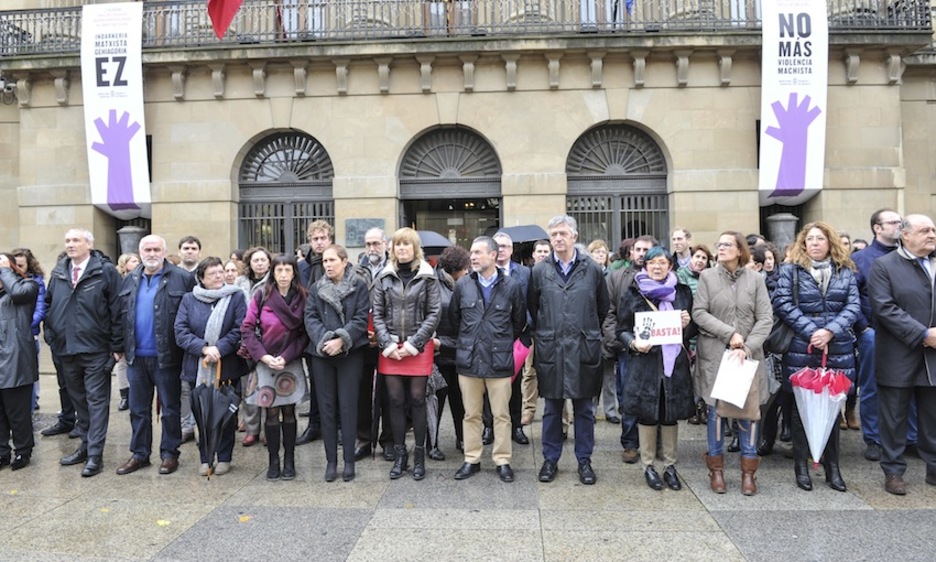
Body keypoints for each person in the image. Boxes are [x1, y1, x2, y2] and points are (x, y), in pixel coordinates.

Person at [774, 221, 860, 493]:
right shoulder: (790, 271)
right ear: (802, 243)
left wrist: (831, 331)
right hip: (803, 347)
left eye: (820, 239)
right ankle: (802, 466)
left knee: (832, 410)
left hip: (837, 347)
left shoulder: (845, 271)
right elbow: (783, 303)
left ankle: (832, 467)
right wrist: (813, 331)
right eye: (809, 239)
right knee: (802, 410)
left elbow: (853, 305)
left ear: (829, 242)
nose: (814, 243)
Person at [529, 215, 609, 485]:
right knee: (552, 408)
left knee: (584, 408)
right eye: (554, 235)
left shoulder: (592, 269)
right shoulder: (539, 271)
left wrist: (588, 331)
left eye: (563, 233)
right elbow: (533, 307)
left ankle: (584, 460)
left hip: (583, 346)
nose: (558, 239)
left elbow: (602, 307)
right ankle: (550, 459)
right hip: (551, 347)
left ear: (574, 236)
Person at [693, 231, 773, 496]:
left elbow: (765, 318)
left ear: (740, 250)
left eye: (727, 244)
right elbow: (699, 313)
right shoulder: (707, 277)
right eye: (719, 244)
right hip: (717, 354)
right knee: (716, 413)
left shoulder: (756, 279)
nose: (721, 248)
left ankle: (748, 473)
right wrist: (729, 334)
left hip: (747, 356)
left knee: (748, 413)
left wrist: (747, 346)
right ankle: (716, 471)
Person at [44, 228, 123, 477]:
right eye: (67, 240)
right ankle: (86, 446)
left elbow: (118, 309)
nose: (70, 244)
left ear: (89, 244)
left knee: (97, 402)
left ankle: (95, 456)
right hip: (66, 349)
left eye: (75, 240)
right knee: (80, 403)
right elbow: (48, 304)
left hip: (96, 349)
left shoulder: (105, 270)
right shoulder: (59, 271)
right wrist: (51, 335)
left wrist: (117, 346)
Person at [116, 235, 195, 476]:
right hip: (135, 357)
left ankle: (170, 454)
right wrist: (118, 346)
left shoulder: (183, 279)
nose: (152, 253)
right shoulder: (129, 279)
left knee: (170, 408)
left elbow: (193, 314)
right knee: (138, 409)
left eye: (156, 249)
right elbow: (120, 315)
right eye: (147, 249)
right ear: (140, 253)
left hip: (167, 357)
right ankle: (140, 454)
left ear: (164, 251)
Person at [616, 247, 694, 490]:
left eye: (662, 263)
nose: (657, 267)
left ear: (670, 266)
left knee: (669, 414)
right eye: (652, 263)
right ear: (645, 267)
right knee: (647, 414)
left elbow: (689, 335)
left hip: (674, 365)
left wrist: (687, 324)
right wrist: (632, 342)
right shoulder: (633, 294)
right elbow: (621, 329)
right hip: (645, 363)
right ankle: (648, 466)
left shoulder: (681, 292)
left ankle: (670, 466)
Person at [869, 214, 936, 495]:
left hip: (933, 357)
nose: (931, 234)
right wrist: (924, 334)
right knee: (894, 418)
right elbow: (885, 308)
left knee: (932, 418)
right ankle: (893, 471)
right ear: (905, 235)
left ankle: (933, 468)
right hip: (898, 354)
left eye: (933, 230)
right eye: (924, 230)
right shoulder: (884, 266)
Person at [450, 236, 525, 483]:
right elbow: (454, 320)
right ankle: (472, 459)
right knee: (471, 414)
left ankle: (502, 460)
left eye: (478, 252)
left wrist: (498, 341)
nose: (472, 257)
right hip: (469, 360)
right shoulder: (462, 285)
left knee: (501, 414)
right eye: (471, 252)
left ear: (493, 255)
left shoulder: (512, 286)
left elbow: (519, 322)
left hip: (499, 360)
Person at [372, 227, 441, 481]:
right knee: (396, 402)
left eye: (406, 245)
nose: (401, 249)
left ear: (414, 248)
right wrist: (387, 344)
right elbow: (377, 314)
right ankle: (400, 455)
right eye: (397, 245)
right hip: (389, 347)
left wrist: (414, 343)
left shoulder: (427, 277)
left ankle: (420, 455)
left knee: (417, 400)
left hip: (418, 347)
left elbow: (434, 314)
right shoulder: (383, 277)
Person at [174, 257, 249, 476]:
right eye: (212, 273)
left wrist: (220, 348)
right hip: (196, 365)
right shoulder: (189, 299)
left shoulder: (235, 296)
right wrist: (204, 348)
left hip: (227, 365)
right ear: (201, 278)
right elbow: (181, 331)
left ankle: (224, 457)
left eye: (220, 272)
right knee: (202, 413)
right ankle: (205, 457)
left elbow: (239, 328)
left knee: (225, 414)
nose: (219, 276)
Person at [241, 255, 310, 481]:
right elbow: (248, 329)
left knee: (290, 412)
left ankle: (289, 460)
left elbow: (304, 334)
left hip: (290, 360)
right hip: (265, 362)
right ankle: (273, 461)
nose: (282, 275)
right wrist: (263, 356)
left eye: (287, 270)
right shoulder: (261, 295)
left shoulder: (302, 297)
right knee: (270, 412)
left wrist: (286, 356)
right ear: (273, 272)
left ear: (294, 273)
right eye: (278, 270)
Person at [305, 246, 370, 482]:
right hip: (322, 353)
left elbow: (362, 317)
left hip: (350, 353)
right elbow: (310, 317)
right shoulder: (316, 288)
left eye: (332, 260)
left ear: (344, 261)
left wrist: (342, 339)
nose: (328, 265)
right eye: (324, 261)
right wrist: (327, 341)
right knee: (327, 407)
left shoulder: (359, 285)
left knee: (348, 406)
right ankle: (331, 461)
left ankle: (349, 461)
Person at [852, 208, 904, 462]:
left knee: (909, 386)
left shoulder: (908, 256)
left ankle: (910, 437)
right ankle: (872, 437)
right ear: (877, 228)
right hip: (873, 333)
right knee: (871, 386)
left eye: (900, 222)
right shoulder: (862, 259)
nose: (899, 226)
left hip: (907, 334)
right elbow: (853, 296)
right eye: (893, 222)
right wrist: (864, 328)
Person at [603, 234, 656, 465]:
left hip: (657, 349)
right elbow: (608, 312)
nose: (642, 254)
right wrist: (618, 342)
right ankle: (630, 443)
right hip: (627, 347)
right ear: (631, 252)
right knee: (628, 396)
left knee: (655, 395)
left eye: (647, 250)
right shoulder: (616, 278)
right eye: (638, 249)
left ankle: (653, 443)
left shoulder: (665, 280)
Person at [484, 231, 530, 446]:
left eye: (505, 246)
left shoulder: (524, 273)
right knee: (486, 384)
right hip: (489, 338)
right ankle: (488, 426)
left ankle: (516, 426)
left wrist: (525, 330)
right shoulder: (483, 271)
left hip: (516, 338)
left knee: (515, 384)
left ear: (511, 250)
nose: (501, 249)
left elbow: (531, 303)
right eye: (498, 246)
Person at [354, 227, 394, 461]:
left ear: (385, 244)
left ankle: (388, 439)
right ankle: (363, 439)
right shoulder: (356, 270)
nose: (372, 249)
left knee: (390, 392)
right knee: (362, 391)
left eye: (376, 244)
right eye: (368, 244)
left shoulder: (393, 268)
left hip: (387, 338)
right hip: (363, 339)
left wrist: (382, 332)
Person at [0, 254, 39, 470]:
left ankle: (23, 451)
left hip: (15, 360)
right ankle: (2, 452)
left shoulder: (27, 286)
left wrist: (5, 270)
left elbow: (17, 293)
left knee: (17, 412)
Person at [296, 220, 333, 446]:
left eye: (323, 238)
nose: (319, 242)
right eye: (315, 239)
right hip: (309, 333)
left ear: (330, 240)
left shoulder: (336, 262)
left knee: (335, 385)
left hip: (334, 333)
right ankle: (315, 425)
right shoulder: (302, 267)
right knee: (316, 384)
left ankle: (335, 426)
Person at [432, 245, 470, 457]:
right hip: (438, 352)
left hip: (460, 351)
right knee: (436, 400)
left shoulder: (467, 283)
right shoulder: (433, 284)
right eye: (464, 268)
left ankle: (462, 438)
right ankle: (432, 443)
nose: (467, 271)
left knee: (460, 401)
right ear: (455, 268)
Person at [237, 246, 272, 447]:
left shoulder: (273, 282)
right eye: (255, 260)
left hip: (267, 342)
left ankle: (269, 428)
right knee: (248, 388)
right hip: (244, 341)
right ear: (249, 263)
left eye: (263, 260)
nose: (259, 263)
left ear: (269, 262)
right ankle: (252, 429)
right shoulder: (240, 283)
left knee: (267, 386)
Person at [520, 239, 552, 426]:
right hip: (531, 331)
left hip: (551, 331)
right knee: (529, 373)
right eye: (539, 251)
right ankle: (528, 410)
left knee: (556, 373)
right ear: (533, 254)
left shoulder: (555, 273)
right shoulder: (527, 275)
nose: (542, 254)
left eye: (546, 251)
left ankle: (563, 417)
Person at [587, 239, 619, 425]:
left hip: (609, 331)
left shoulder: (612, 276)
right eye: (596, 251)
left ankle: (610, 410)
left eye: (603, 252)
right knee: (591, 377)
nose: (600, 254)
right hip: (592, 331)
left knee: (609, 375)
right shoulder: (586, 275)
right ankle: (590, 410)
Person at [11, 248, 46, 413]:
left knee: (29, 376)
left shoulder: (35, 282)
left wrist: (24, 326)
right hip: (7, 336)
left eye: (21, 265)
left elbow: (40, 309)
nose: (18, 269)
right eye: (15, 265)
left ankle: (30, 408)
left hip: (28, 334)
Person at [113, 253, 141, 412]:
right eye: (133, 260)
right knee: (122, 363)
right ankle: (125, 395)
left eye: (138, 260)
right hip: (124, 327)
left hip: (138, 327)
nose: (137, 263)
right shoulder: (118, 281)